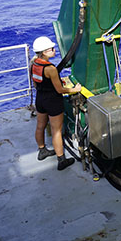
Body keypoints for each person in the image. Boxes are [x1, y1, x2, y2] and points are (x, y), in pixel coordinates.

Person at [30, 36, 82, 171]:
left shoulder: (33, 64)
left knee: (40, 126)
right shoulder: (51, 69)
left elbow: (36, 84)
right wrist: (74, 90)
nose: (54, 50)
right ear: (45, 52)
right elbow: (59, 90)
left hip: (40, 99)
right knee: (56, 131)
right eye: (52, 49)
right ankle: (61, 160)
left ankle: (42, 151)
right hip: (53, 101)